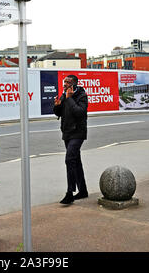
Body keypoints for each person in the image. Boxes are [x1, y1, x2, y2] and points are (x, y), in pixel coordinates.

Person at [53, 74, 88, 205]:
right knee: (76, 161)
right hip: (67, 132)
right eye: (64, 82)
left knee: (69, 159)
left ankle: (69, 192)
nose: (65, 84)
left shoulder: (82, 96)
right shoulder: (63, 95)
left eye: (68, 82)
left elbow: (80, 112)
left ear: (74, 84)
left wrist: (69, 98)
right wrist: (57, 105)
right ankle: (83, 190)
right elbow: (58, 113)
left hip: (78, 132)